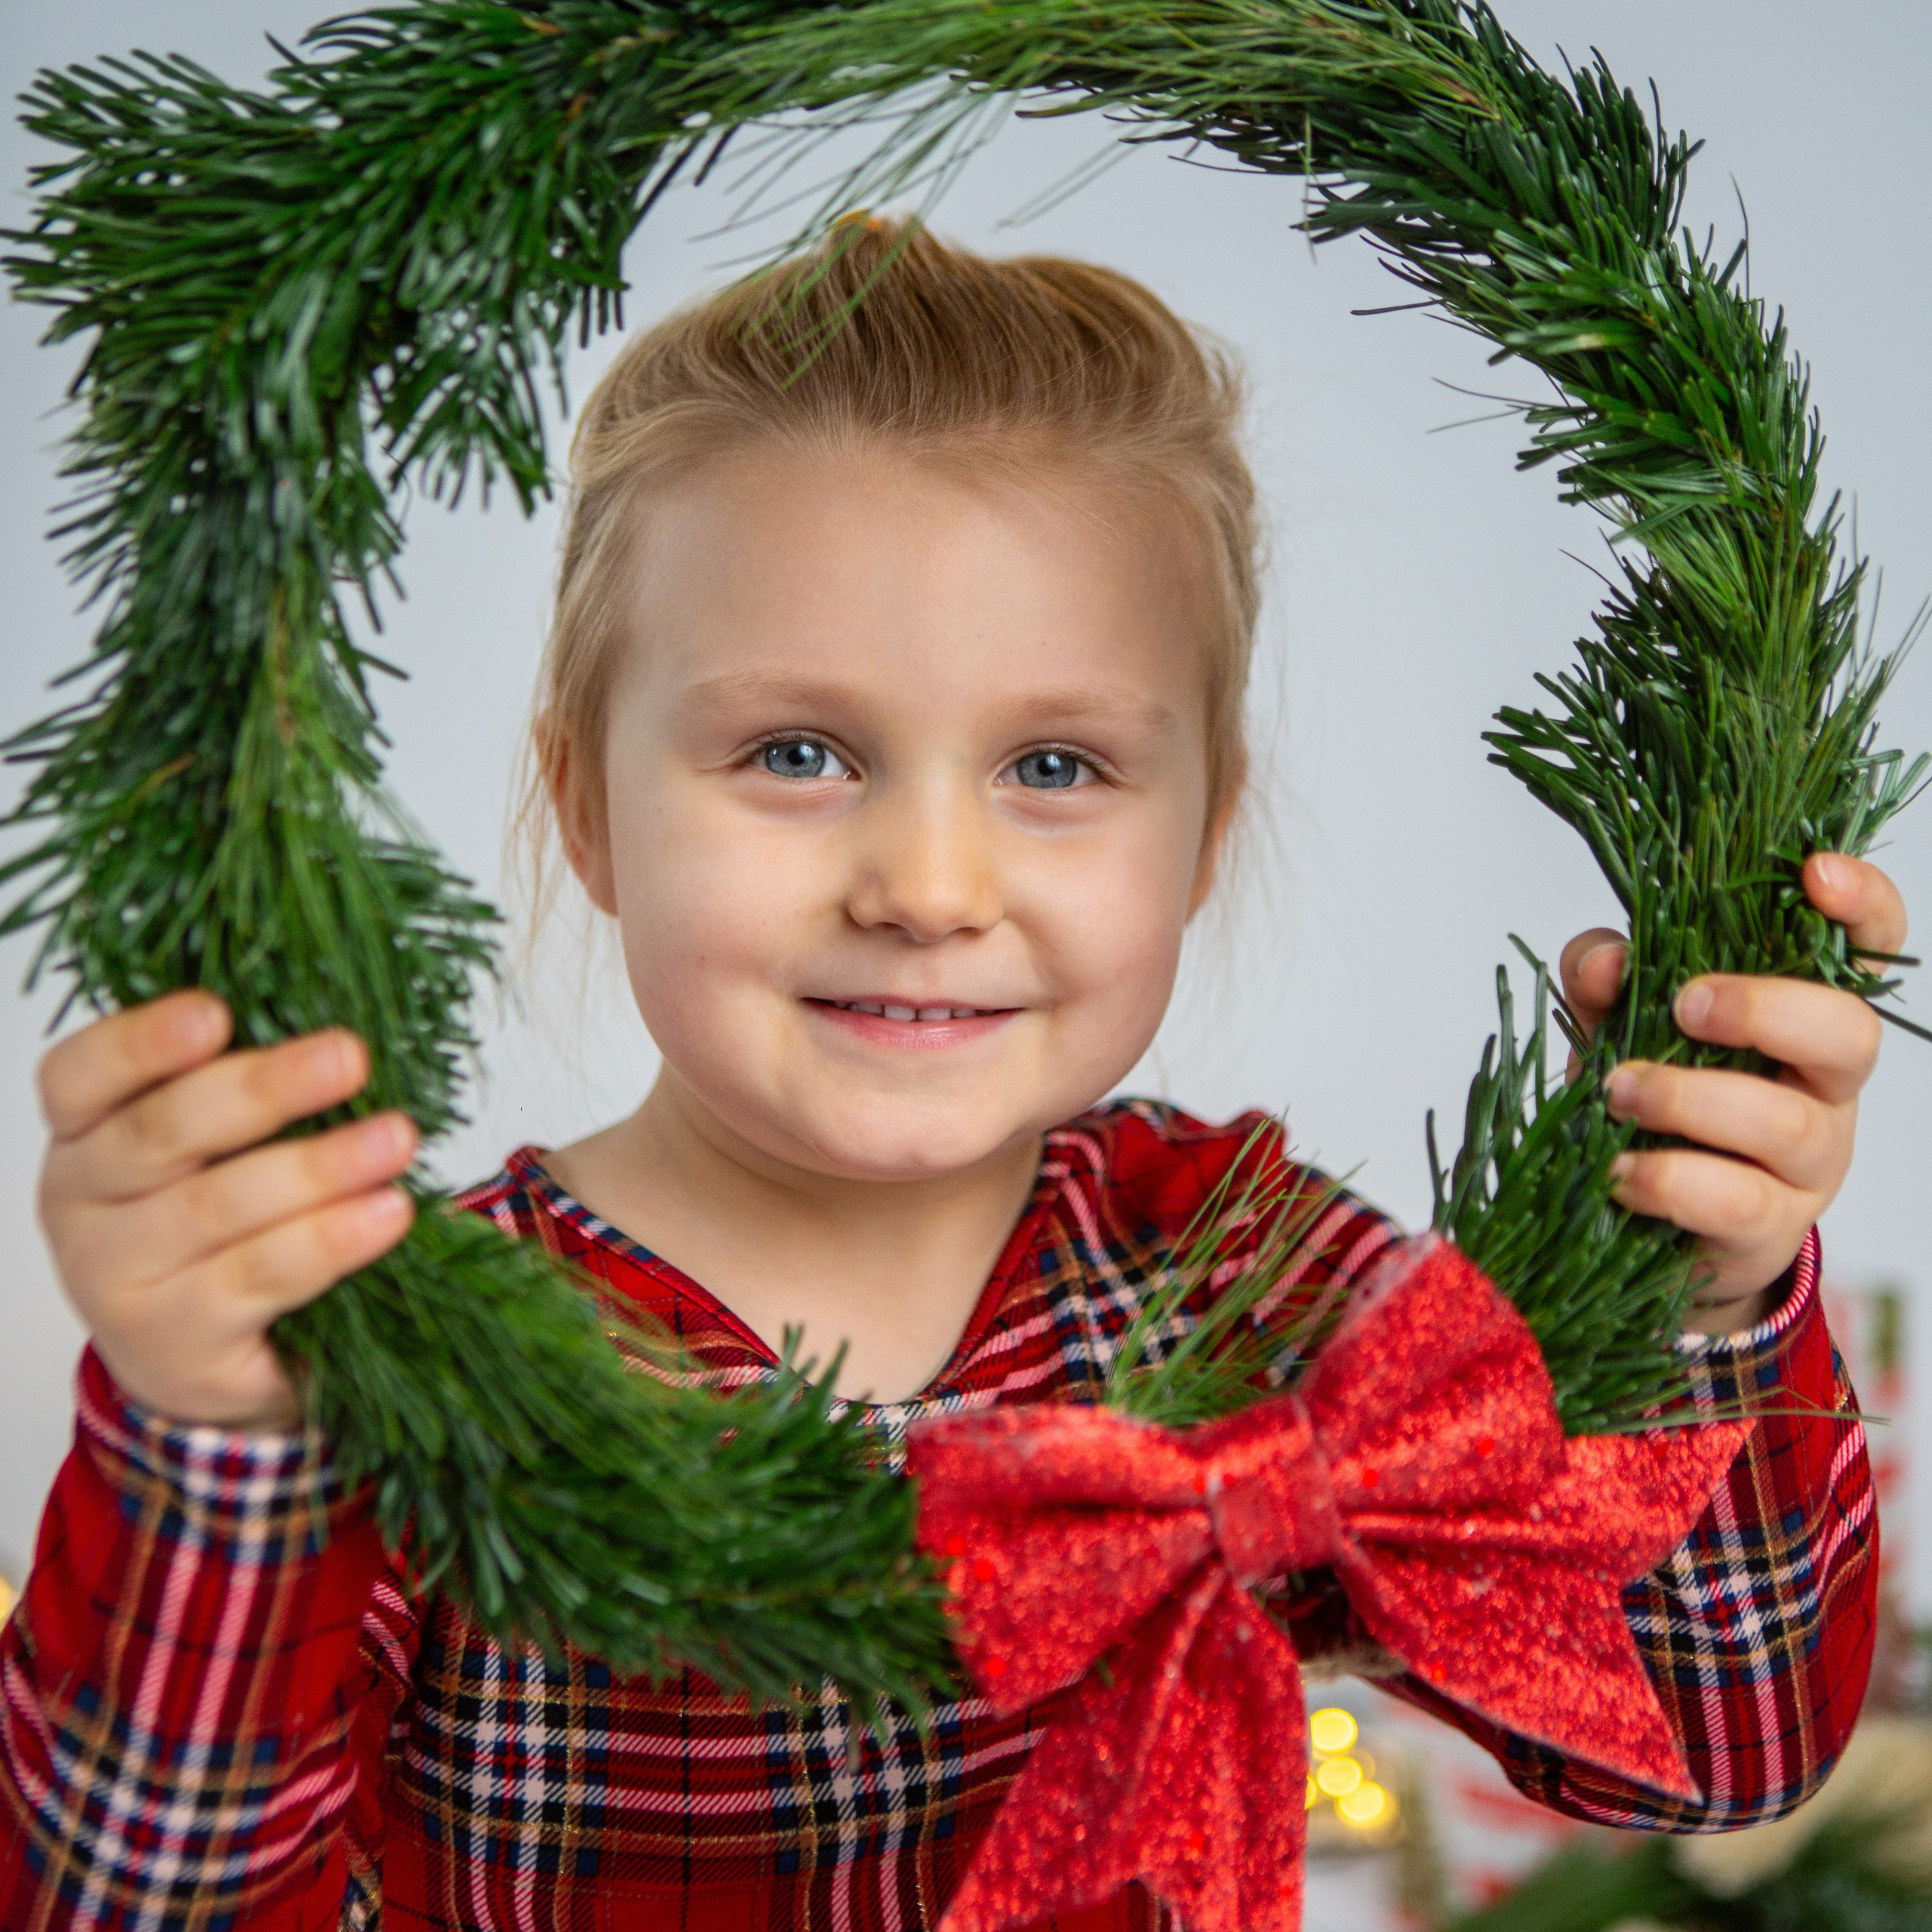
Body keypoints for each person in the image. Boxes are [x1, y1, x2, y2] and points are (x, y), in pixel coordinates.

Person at [0, 220, 1900, 1932]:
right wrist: (213, 1436)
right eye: (800, 751)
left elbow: (1697, 1741)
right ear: (586, 803)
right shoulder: (425, 1352)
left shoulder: (1237, 1274)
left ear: (1202, 830)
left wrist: (1696, 1283)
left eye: (1054, 768)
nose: (924, 887)